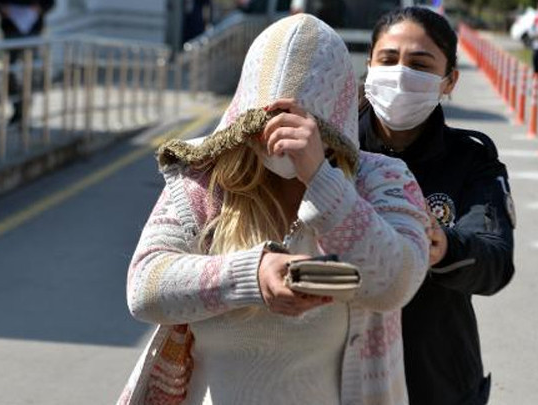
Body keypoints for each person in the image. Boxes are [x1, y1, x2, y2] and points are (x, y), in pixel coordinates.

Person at [117, 14, 430, 405]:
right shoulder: (204, 180)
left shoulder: (381, 180)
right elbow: (144, 287)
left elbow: (396, 282)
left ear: (332, 123)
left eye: (302, 123)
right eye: (266, 120)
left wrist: (321, 179)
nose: (281, 137)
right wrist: (253, 274)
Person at [358, 7, 515, 405]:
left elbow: (495, 261)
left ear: (449, 81)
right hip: (340, 373)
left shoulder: (471, 160)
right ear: (369, 66)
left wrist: (443, 246)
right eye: (388, 60)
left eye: (420, 64)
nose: (400, 74)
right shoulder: (331, 151)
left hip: (436, 376)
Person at [0, 0, 55, 125]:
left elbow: (50, 3)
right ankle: (18, 107)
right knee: (10, 71)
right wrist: (2, 8)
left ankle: (26, 106)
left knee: (31, 72)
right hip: (11, 28)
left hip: (32, 29)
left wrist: (40, 8)